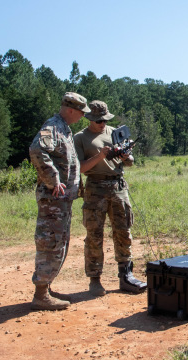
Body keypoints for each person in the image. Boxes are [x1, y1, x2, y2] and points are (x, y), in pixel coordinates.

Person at [73, 100, 146, 296]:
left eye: (105, 120)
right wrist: (100, 156)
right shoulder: (80, 138)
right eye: (98, 121)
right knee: (94, 235)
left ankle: (126, 276)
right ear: (90, 119)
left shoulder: (115, 133)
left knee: (123, 231)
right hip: (95, 188)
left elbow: (129, 162)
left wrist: (125, 157)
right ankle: (95, 279)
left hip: (118, 186)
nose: (102, 124)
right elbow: (80, 168)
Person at [29, 92, 90, 310]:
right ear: (71, 110)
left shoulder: (64, 128)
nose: (83, 117)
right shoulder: (53, 127)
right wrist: (53, 180)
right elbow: (36, 150)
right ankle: (41, 294)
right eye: (82, 113)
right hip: (53, 200)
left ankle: (47, 287)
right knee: (51, 242)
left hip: (62, 201)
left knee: (60, 241)